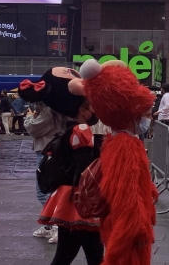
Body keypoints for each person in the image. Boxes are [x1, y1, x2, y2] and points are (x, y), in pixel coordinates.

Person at [79, 59, 158, 265]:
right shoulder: (125, 145)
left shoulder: (118, 140)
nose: (148, 120)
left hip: (123, 226)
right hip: (130, 233)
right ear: (132, 115)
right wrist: (133, 231)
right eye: (146, 115)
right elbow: (126, 200)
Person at [37, 100, 104, 265]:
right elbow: (86, 168)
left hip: (70, 196)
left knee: (69, 254)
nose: (95, 112)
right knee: (89, 255)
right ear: (82, 110)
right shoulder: (81, 130)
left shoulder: (69, 129)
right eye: (92, 108)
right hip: (80, 197)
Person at [25, 102, 68, 242]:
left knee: (43, 191)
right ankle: (49, 225)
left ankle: (56, 225)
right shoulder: (61, 109)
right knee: (52, 190)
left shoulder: (50, 111)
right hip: (55, 150)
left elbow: (33, 128)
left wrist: (29, 117)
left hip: (47, 151)